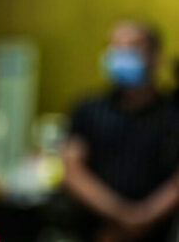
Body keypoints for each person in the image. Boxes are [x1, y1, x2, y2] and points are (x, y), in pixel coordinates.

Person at [63, 20, 179, 242]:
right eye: (114, 47)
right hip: (97, 232)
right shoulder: (88, 109)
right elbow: (72, 170)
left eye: (132, 47)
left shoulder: (172, 113)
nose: (121, 55)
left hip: (158, 233)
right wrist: (122, 215)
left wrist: (143, 218)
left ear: (155, 55)